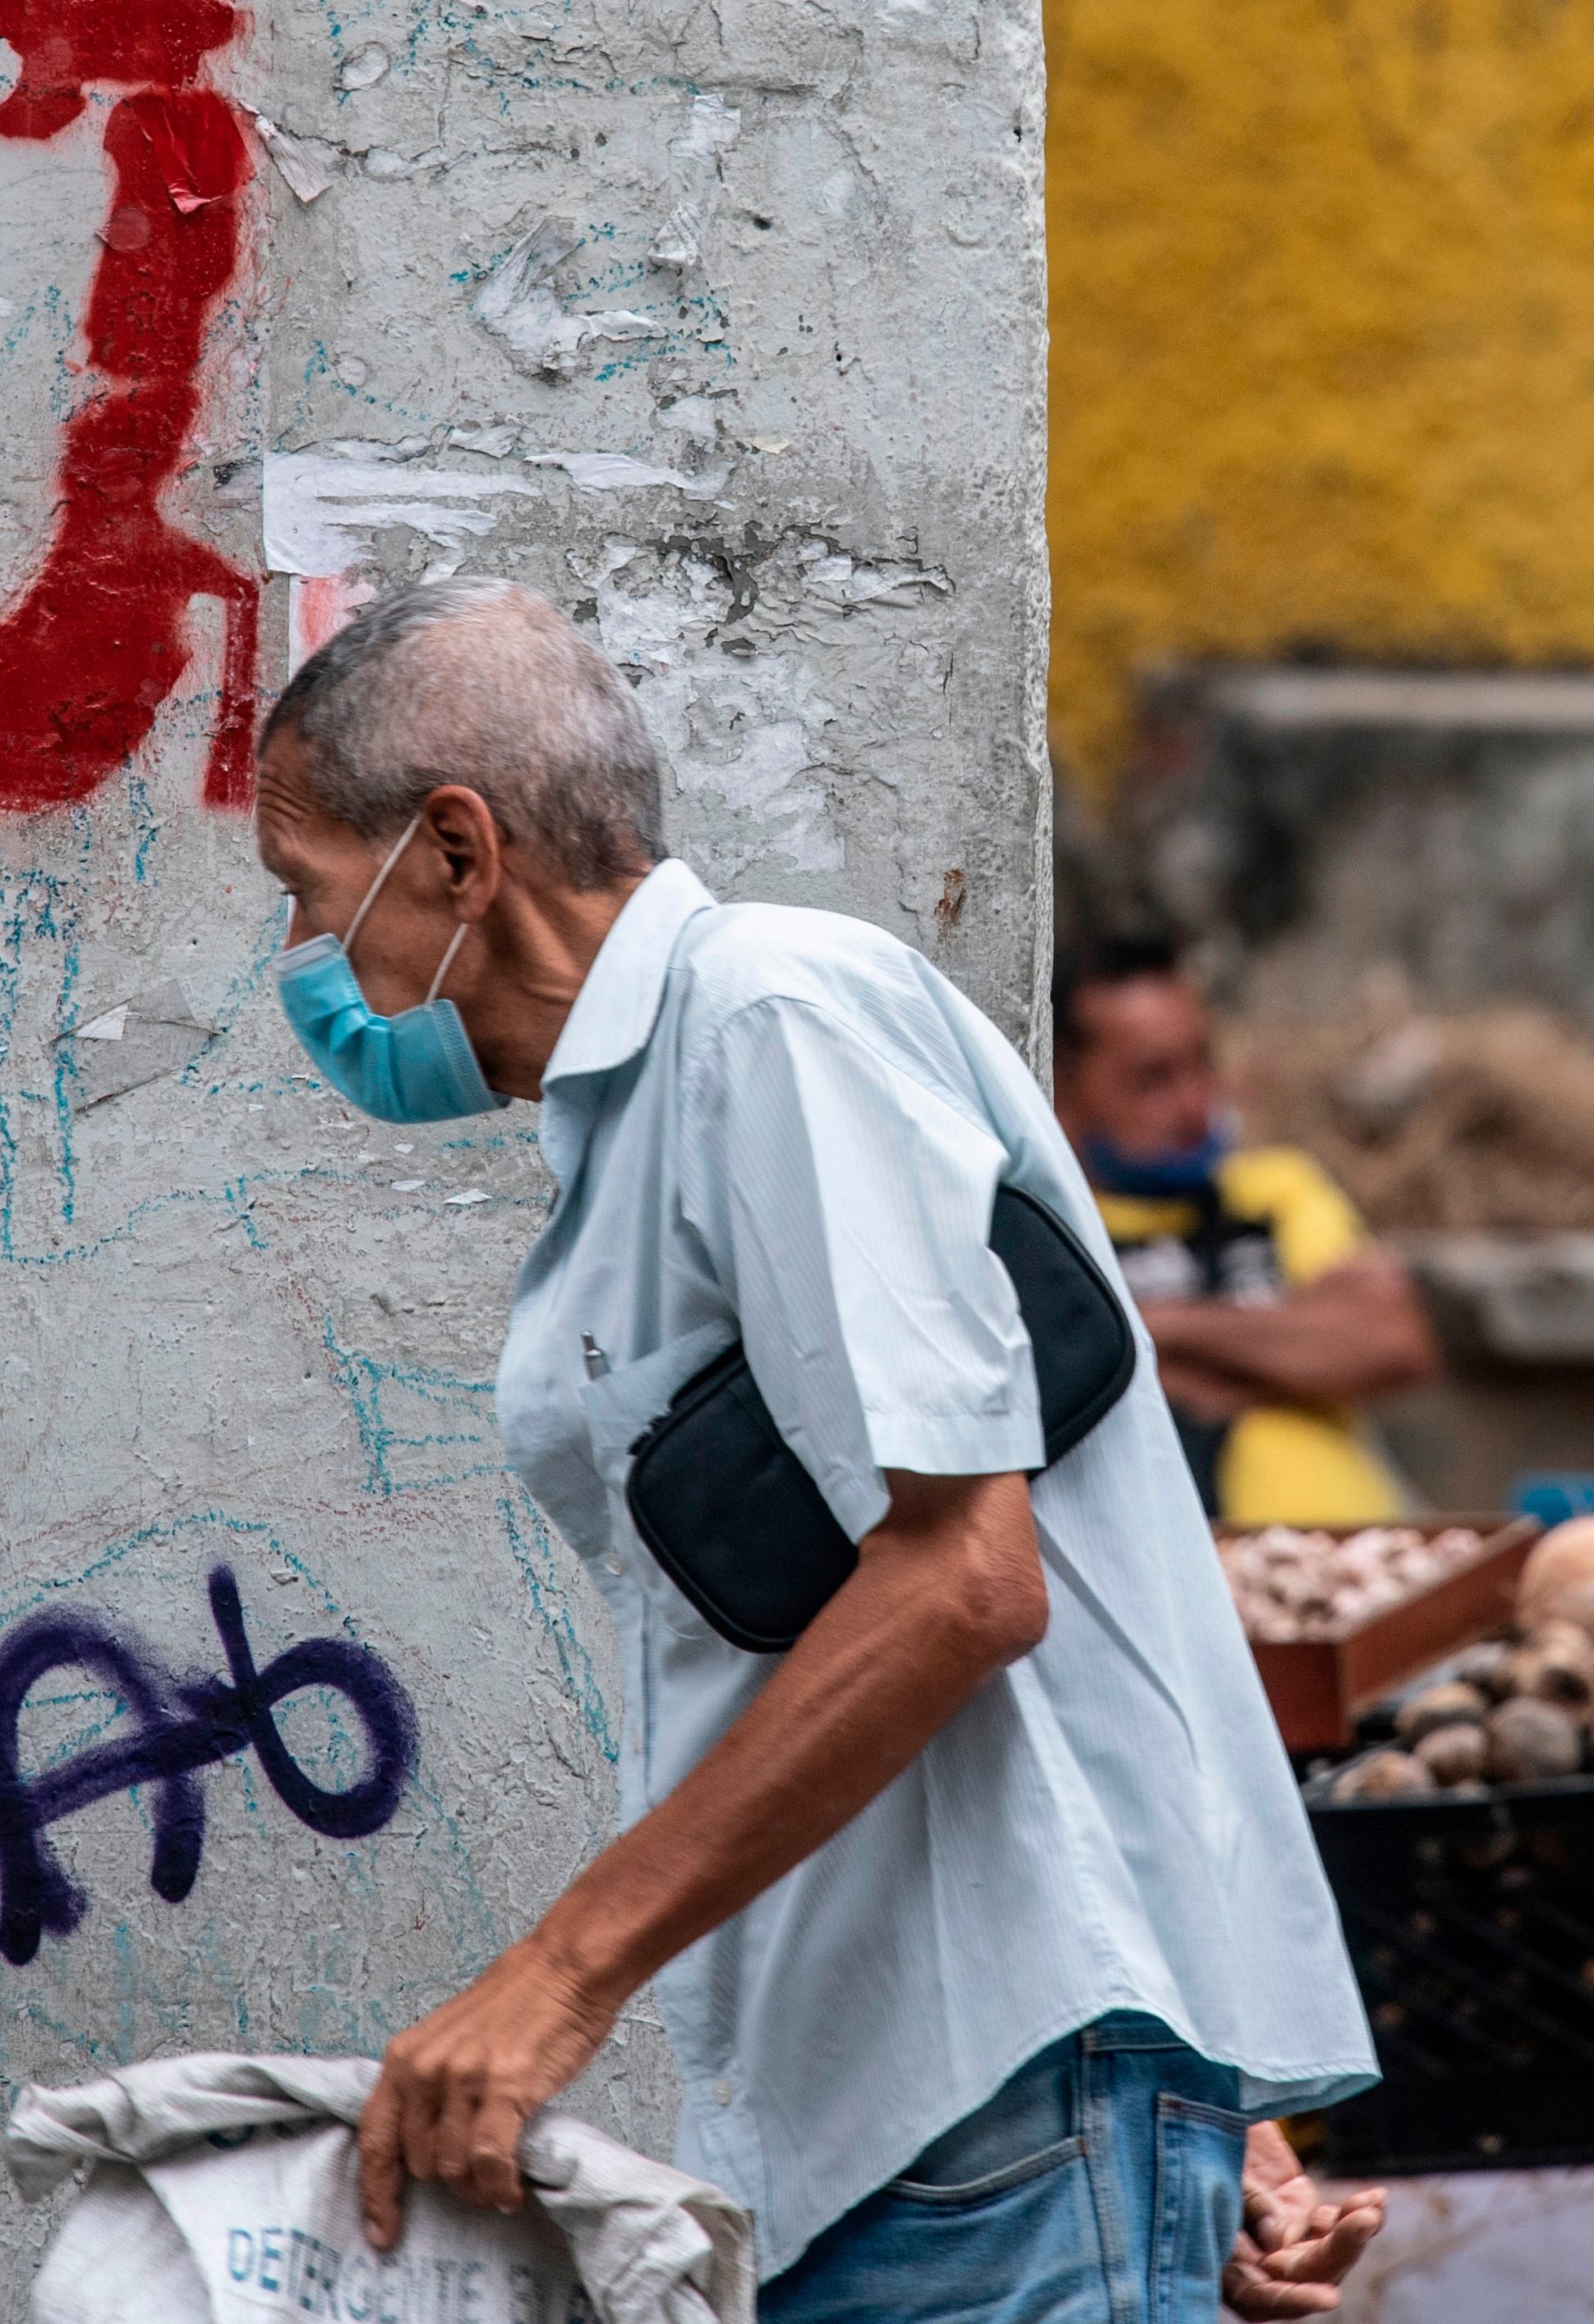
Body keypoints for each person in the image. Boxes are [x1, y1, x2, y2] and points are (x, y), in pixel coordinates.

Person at [251, 581, 1385, 2321]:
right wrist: (1148, 2105)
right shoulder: (651, 1103)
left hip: (976, 2116)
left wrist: (557, 1974)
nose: (315, 970)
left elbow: (965, 1580)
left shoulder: (772, 1019)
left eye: (315, 897)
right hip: (943, 2116)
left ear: (458, 852)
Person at [1053, 938, 1441, 1526]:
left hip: (1359, 1568)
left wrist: (1150, 1329)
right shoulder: (1055, 1230)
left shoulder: (1276, 1188)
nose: (1193, 1103)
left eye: (1200, 1063)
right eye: (1152, 1078)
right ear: (1062, 1086)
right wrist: (1283, 1351)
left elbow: (1388, 1341)